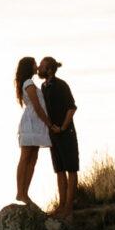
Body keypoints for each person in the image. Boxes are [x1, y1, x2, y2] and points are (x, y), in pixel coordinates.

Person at [38, 56, 79, 219]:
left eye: (41, 66)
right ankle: (61, 206)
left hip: (66, 133)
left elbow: (71, 108)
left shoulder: (61, 85)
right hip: (52, 135)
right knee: (59, 170)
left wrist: (62, 127)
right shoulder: (43, 87)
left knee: (71, 169)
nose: (39, 68)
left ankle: (69, 207)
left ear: (49, 70)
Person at [15, 55, 53, 209]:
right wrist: (49, 123)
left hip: (36, 125)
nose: (37, 66)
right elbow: (37, 106)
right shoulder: (28, 83)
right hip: (31, 124)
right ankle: (20, 192)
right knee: (25, 157)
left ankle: (25, 192)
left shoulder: (29, 83)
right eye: (34, 64)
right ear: (29, 67)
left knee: (33, 158)